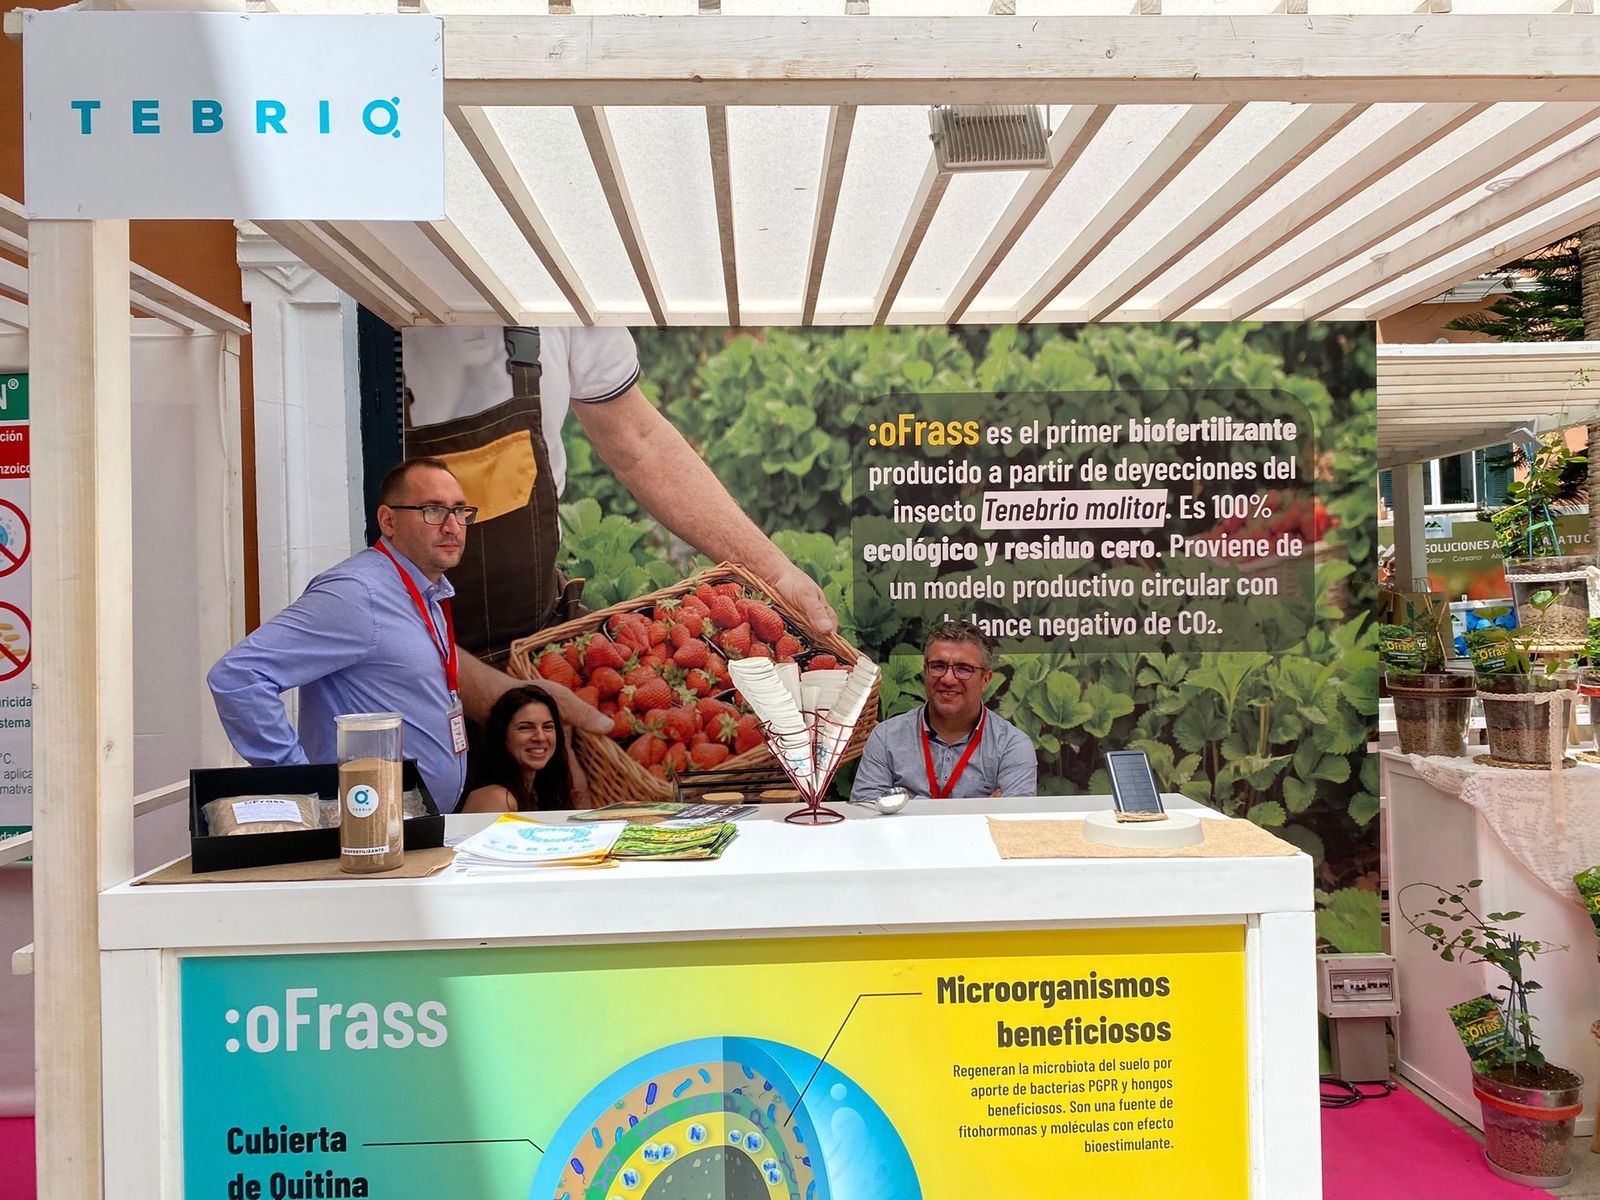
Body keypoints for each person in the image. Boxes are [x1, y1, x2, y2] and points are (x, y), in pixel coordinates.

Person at [400, 326, 837, 665]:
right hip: (398, 649)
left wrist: (775, 573)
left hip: (532, 639)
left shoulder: (557, 264)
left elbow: (638, 440)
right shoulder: (372, 269)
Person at [206, 457, 606, 813]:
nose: (452, 526)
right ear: (388, 521)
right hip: (368, 830)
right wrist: (301, 785)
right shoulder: (356, 593)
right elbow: (238, 677)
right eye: (433, 510)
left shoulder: (429, 593)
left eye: (460, 511)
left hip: (415, 827)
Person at [849, 620, 1037, 803]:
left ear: (986, 679)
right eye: (938, 666)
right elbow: (866, 813)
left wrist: (904, 803)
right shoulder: (886, 738)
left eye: (964, 669)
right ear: (925, 671)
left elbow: (1011, 823)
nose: (948, 679)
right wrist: (977, 808)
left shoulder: (1012, 746)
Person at [461, 685, 574, 813]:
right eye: (525, 727)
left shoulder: (539, 792)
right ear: (501, 735)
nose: (540, 737)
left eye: (547, 727)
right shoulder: (497, 798)